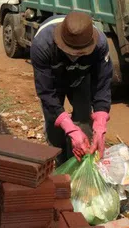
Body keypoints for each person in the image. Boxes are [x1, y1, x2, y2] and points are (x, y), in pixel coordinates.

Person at [30, 12, 113, 166]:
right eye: (71, 52)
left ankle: (80, 164)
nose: (75, 56)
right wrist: (70, 129)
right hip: (54, 81)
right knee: (54, 124)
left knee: (84, 122)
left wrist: (101, 124)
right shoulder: (42, 45)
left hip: (81, 78)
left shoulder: (100, 44)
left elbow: (102, 84)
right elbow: (46, 93)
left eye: (81, 53)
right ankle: (61, 161)